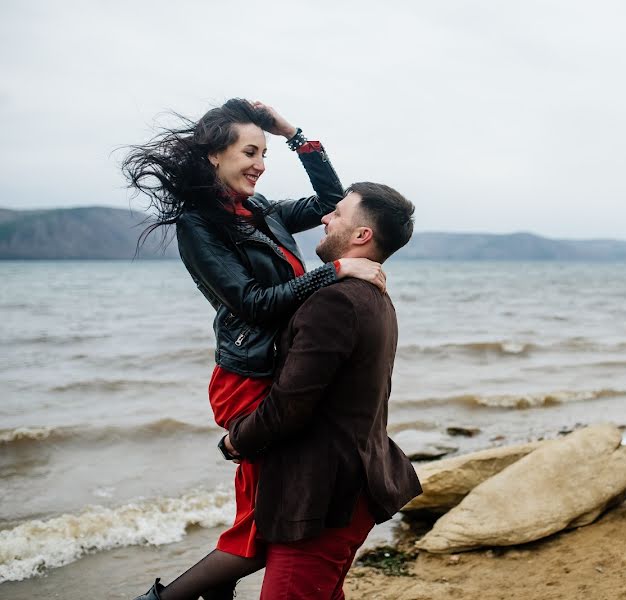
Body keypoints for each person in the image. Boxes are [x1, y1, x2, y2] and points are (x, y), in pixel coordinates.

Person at [123, 99, 387, 600]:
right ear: (213, 157)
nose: (260, 164)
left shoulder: (262, 211)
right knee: (261, 523)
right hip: (247, 379)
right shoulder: (198, 224)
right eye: (250, 151)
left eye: (265, 153)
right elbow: (252, 303)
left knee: (265, 518)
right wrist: (334, 271)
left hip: (278, 372)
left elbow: (337, 206)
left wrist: (295, 134)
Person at [221, 182, 422, 599]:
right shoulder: (373, 296)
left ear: (361, 235)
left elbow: (290, 404)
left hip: (325, 499)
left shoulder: (336, 301)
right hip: (350, 487)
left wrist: (235, 442)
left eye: (338, 214)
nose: (325, 217)